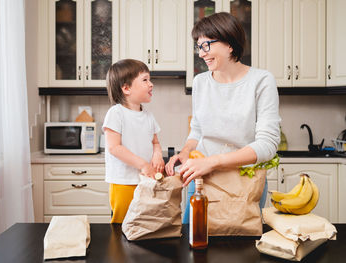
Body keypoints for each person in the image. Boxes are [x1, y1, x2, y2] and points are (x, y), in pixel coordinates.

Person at [165, 12, 281, 223]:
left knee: (240, 251)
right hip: (201, 178)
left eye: (206, 45)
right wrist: (186, 152)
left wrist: (213, 162)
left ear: (229, 44)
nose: (201, 54)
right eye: (199, 47)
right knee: (194, 244)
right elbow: (198, 130)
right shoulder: (201, 82)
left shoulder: (262, 81)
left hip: (245, 182)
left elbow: (267, 144)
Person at [103, 59, 164, 223]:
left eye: (150, 79)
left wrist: (157, 156)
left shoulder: (148, 116)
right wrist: (144, 165)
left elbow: (155, 143)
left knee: (143, 225)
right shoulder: (116, 114)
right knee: (121, 226)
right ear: (126, 88)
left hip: (146, 182)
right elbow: (114, 148)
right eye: (145, 80)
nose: (151, 84)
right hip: (123, 183)